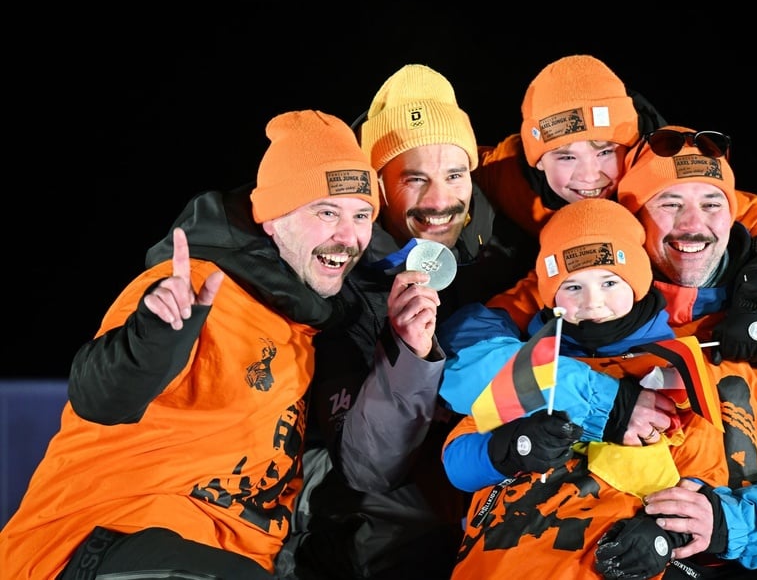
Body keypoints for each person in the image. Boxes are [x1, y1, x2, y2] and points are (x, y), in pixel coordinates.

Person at [439, 126, 757, 579]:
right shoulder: (580, 307)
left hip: (747, 545)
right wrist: (602, 404)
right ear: (632, 218)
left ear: (734, 212)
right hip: (606, 541)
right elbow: (466, 358)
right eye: (670, 203)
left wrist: (724, 522)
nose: (693, 225)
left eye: (712, 203)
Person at [0, 109, 442, 579]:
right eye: (326, 212)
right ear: (272, 219)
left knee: (414, 509)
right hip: (107, 538)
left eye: (361, 216)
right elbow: (99, 397)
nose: (348, 236)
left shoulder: (308, 328)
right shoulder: (193, 288)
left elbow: (353, 468)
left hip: (236, 553)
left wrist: (409, 352)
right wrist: (152, 339)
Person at [280, 64, 535, 580]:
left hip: (480, 453)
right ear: (378, 186)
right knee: (398, 524)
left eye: (454, 175)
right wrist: (408, 356)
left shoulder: (505, 244)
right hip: (362, 488)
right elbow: (367, 469)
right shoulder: (336, 275)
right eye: (414, 178)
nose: (440, 201)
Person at [476, 54, 757, 368]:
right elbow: (447, 162)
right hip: (563, 290)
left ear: (630, 148)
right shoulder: (507, 173)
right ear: (537, 160)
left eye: (605, 151)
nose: (588, 176)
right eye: (565, 156)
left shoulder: (661, 166)